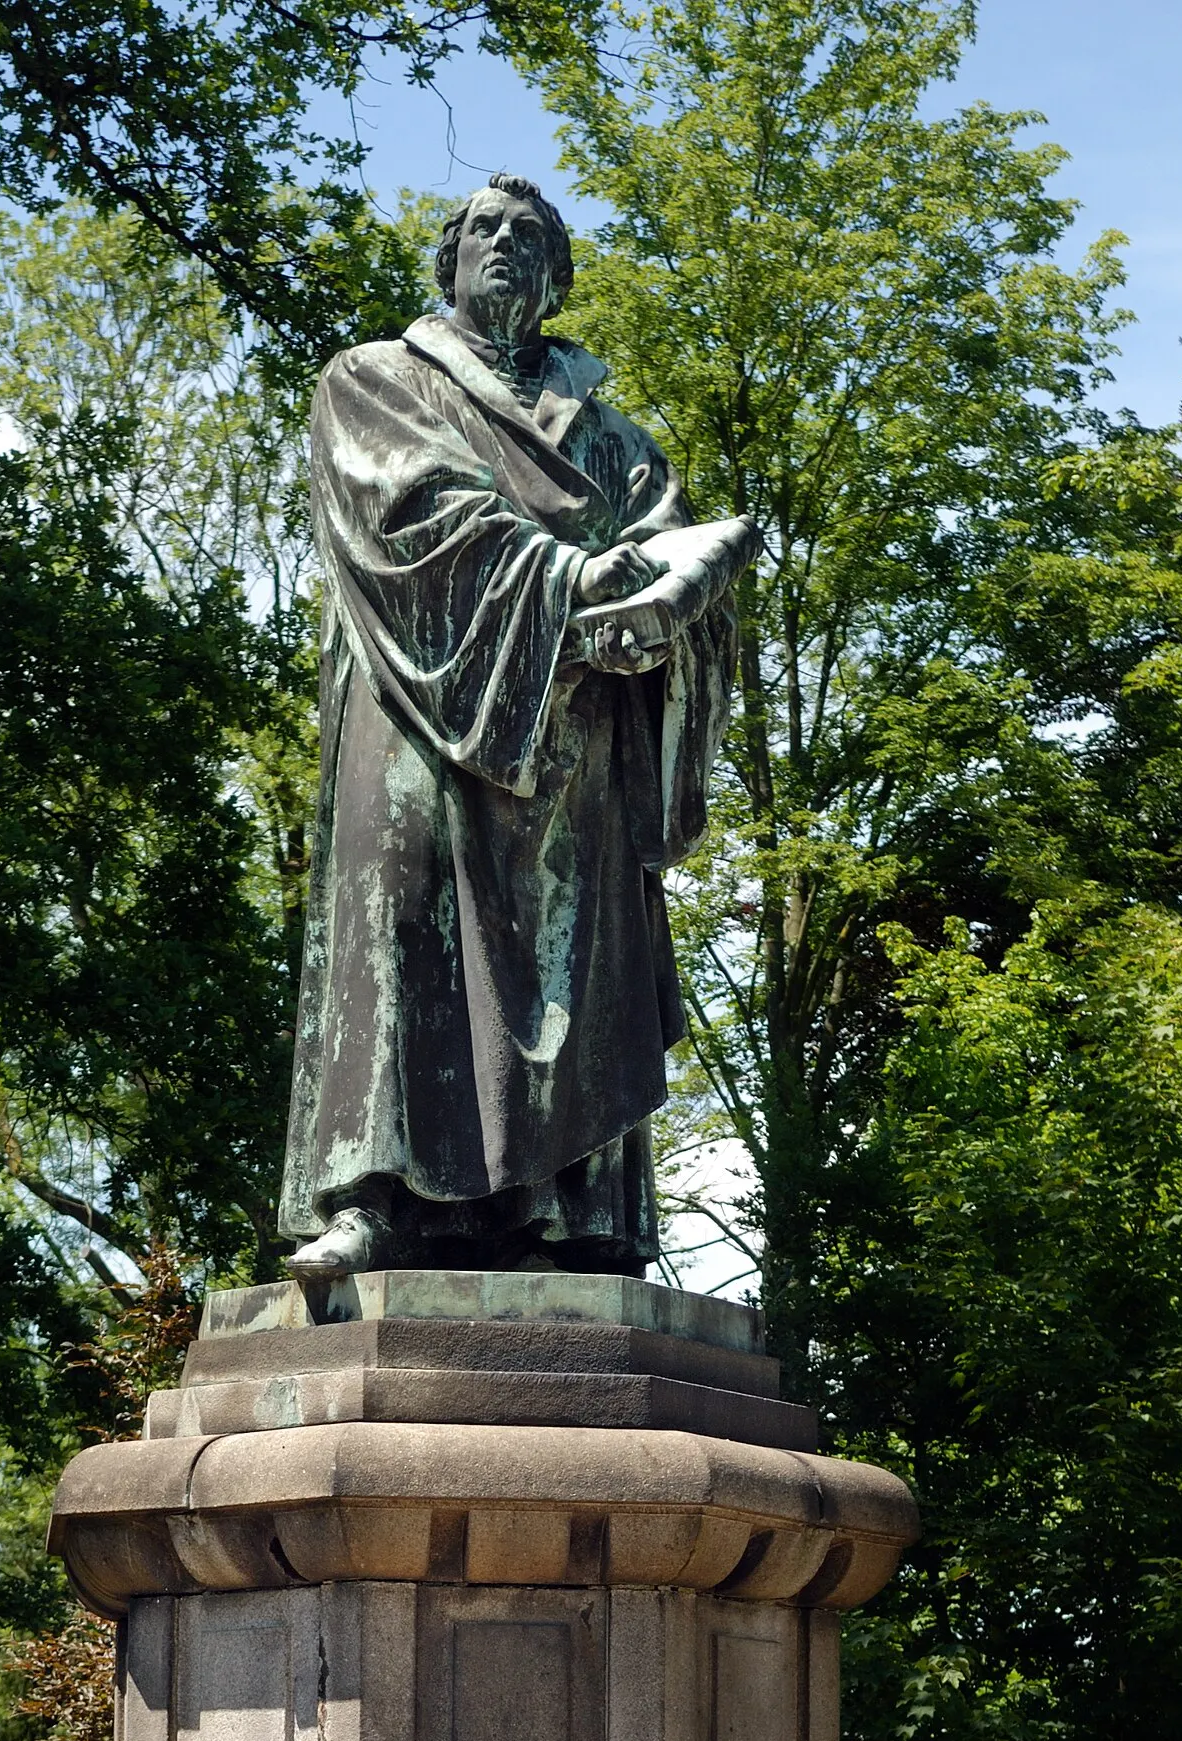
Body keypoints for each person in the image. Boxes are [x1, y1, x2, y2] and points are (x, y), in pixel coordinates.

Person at [280, 173, 752, 1280]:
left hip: (575, 733)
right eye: (483, 228)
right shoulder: (373, 383)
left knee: (577, 963)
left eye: (528, 235)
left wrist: (668, 624)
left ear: (557, 276)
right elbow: (417, 519)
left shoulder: (614, 438)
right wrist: (577, 581)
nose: (503, 245)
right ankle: (372, 1198)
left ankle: (571, 1217)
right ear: (447, 258)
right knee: (399, 923)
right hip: (417, 709)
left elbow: (673, 559)